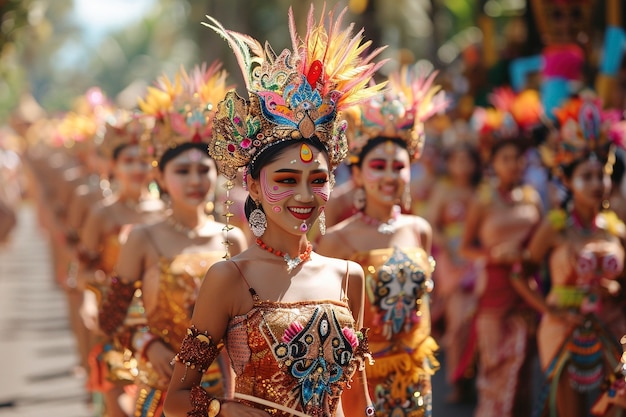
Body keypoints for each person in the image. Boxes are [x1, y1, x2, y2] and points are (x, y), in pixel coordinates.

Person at [163, 6, 386, 417]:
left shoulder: (349, 277)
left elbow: (357, 400)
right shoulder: (230, 278)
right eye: (285, 180)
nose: (304, 194)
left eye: (317, 179)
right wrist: (222, 411)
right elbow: (175, 399)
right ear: (252, 186)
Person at [99, 62, 248, 417]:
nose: (195, 179)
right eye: (182, 171)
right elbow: (110, 318)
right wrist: (147, 344)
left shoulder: (232, 239)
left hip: (225, 393)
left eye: (203, 169)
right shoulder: (142, 239)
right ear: (161, 178)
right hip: (161, 392)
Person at [317, 65, 448, 417]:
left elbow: (426, 304)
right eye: (378, 166)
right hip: (363, 381)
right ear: (357, 173)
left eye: (398, 166)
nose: (390, 176)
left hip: (415, 372)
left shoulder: (419, 229)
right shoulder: (336, 242)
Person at [512, 93, 626, 417]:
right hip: (563, 328)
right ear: (566, 180)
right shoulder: (555, 226)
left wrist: (617, 290)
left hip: (612, 327)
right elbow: (520, 274)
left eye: (601, 175)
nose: (597, 184)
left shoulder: (616, 228)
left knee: (614, 408)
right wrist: (549, 309)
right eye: (586, 176)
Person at [459, 88, 543, 417]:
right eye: (506, 158)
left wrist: (524, 258)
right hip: (494, 291)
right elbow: (467, 247)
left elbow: (543, 244)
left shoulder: (533, 197)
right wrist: (494, 256)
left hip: (529, 289)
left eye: (519, 158)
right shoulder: (483, 200)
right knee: (494, 366)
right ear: (493, 163)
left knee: (524, 370)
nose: (515, 164)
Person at [78, 111, 163, 417]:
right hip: (116, 317)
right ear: (113, 167)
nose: (137, 169)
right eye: (128, 162)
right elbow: (84, 269)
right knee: (122, 408)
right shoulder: (103, 215)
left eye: (143, 161)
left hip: (158, 321)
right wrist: (90, 299)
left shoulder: (164, 214)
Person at [426, 123, 481, 404]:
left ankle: (478, 378)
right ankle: (458, 380)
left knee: (479, 322)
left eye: (467, 159)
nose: (462, 165)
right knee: (459, 324)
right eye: (457, 159)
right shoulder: (443, 191)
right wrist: (450, 247)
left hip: (479, 261)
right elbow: (433, 224)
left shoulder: (482, 192)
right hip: (454, 262)